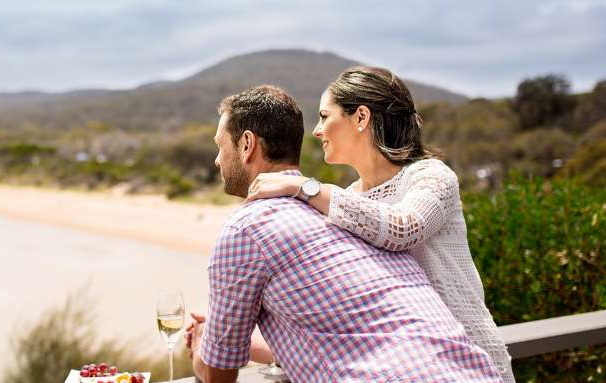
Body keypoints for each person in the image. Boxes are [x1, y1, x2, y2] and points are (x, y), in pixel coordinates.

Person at [185, 85, 501, 383]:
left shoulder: (246, 230)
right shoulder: (354, 213)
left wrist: (203, 347)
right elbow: (355, 337)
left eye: (220, 146)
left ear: (246, 144)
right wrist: (233, 339)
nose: (217, 159)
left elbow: (218, 375)